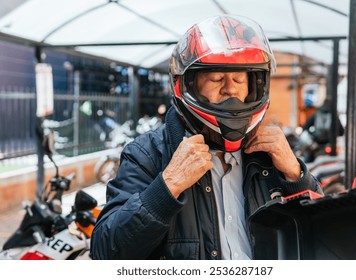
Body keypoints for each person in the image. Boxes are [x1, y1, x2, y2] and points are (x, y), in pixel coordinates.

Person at [90, 14, 322, 260]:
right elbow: (106, 253)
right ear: (188, 85)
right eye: (216, 78)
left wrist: (296, 176)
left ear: (254, 85)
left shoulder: (269, 154)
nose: (230, 89)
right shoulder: (147, 154)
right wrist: (167, 186)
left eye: (239, 79)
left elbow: (321, 233)